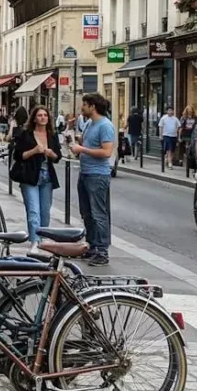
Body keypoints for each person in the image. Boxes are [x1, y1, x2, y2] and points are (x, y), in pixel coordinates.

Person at [70, 93, 116, 266]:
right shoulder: (89, 123)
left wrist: (82, 149)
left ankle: (102, 251)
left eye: (84, 104)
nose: (82, 107)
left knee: (99, 214)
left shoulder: (105, 125)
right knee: (87, 213)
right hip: (85, 172)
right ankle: (92, 246)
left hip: (98, 175)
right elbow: (89, 143)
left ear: (93, 107)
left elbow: (106, 152)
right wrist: (78, 141)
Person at [12, 106, 62, 250]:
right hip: (29, 177)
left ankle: (43, 241)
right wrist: (34, 151)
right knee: (33, 211)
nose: (43, 118)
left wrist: (51, 153)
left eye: (45, 115)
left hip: (47, 178)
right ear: (34, 118)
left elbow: (57, 157)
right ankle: (35, 242)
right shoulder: (26, 134)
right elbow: (18, 156)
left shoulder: (52, 135)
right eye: (39, 115)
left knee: (45, 211)